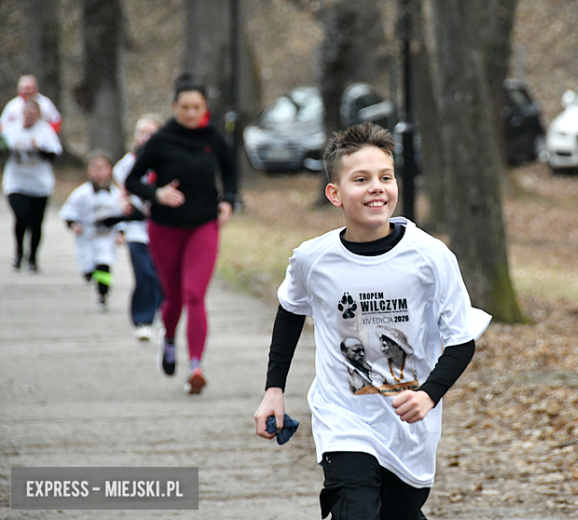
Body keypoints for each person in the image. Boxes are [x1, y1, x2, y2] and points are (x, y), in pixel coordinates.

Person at [253, 122, 492, 519]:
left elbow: (461, 339)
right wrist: (273, 390)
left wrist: (428, 394)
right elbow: (290, 311)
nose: (376, 188)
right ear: (335, 193)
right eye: (361, 179)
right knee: (356, 509)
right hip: (343, 418)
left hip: (408, 428)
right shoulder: (313, 260)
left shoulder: (431, 257)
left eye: (386, 177)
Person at [124, 72, 238, 395]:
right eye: (185, 107)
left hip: (203, 225)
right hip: (165, 228)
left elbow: (231, 173)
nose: (191, 113)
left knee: (194, 294)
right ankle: (170, 338)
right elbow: (132, 180)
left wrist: (228, 201)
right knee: (173, 298)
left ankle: (196, 366)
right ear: (174, 106)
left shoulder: (214, 138)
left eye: (197, 107)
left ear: (204, 108)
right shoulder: (160, 140)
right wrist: (157, 194)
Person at [113, 115, 164, 342]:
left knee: (161, 274)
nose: (146, 138)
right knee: (144, 273)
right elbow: (120, 190)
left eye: (152, 134)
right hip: (136, 229)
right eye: (142, 133)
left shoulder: (167, 161)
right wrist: (123, 202)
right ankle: (143, 320)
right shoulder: (127, 163)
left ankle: (163, 315)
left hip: (161, 227)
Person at [1, 99, 62, 271]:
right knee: (22, 215)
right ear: (23, 113)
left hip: (39, 183)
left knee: (36, 222)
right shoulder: (11, 130)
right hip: (16, 181)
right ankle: (19, 251)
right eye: (28, 114)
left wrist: (39, 148)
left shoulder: (45, 131)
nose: (30, 118)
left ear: (39, 116)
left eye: (34, 115)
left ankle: (33, 257)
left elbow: (54, 156)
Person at [59, 150, 123, 311]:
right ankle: (89, 273)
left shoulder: (116, 195)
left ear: (110, 170)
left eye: (103, 168)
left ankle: (103, 294)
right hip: (87, 237)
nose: (99, 172)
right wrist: (73, 224)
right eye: (95, 168)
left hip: (106, 237)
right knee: (87, 266)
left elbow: (122, 215)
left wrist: (121, 233)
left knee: (104, 263)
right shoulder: (82, 193)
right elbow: (69, 211)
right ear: (88, 171)